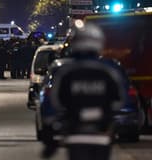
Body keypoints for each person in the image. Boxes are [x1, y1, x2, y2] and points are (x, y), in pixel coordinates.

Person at [41, 21, 127, 160]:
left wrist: (50, 137)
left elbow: (53, 103)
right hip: (101, 135)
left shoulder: (65, 73)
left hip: (75, 135)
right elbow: (121, 100)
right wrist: (107, 115)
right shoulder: (109, 71)